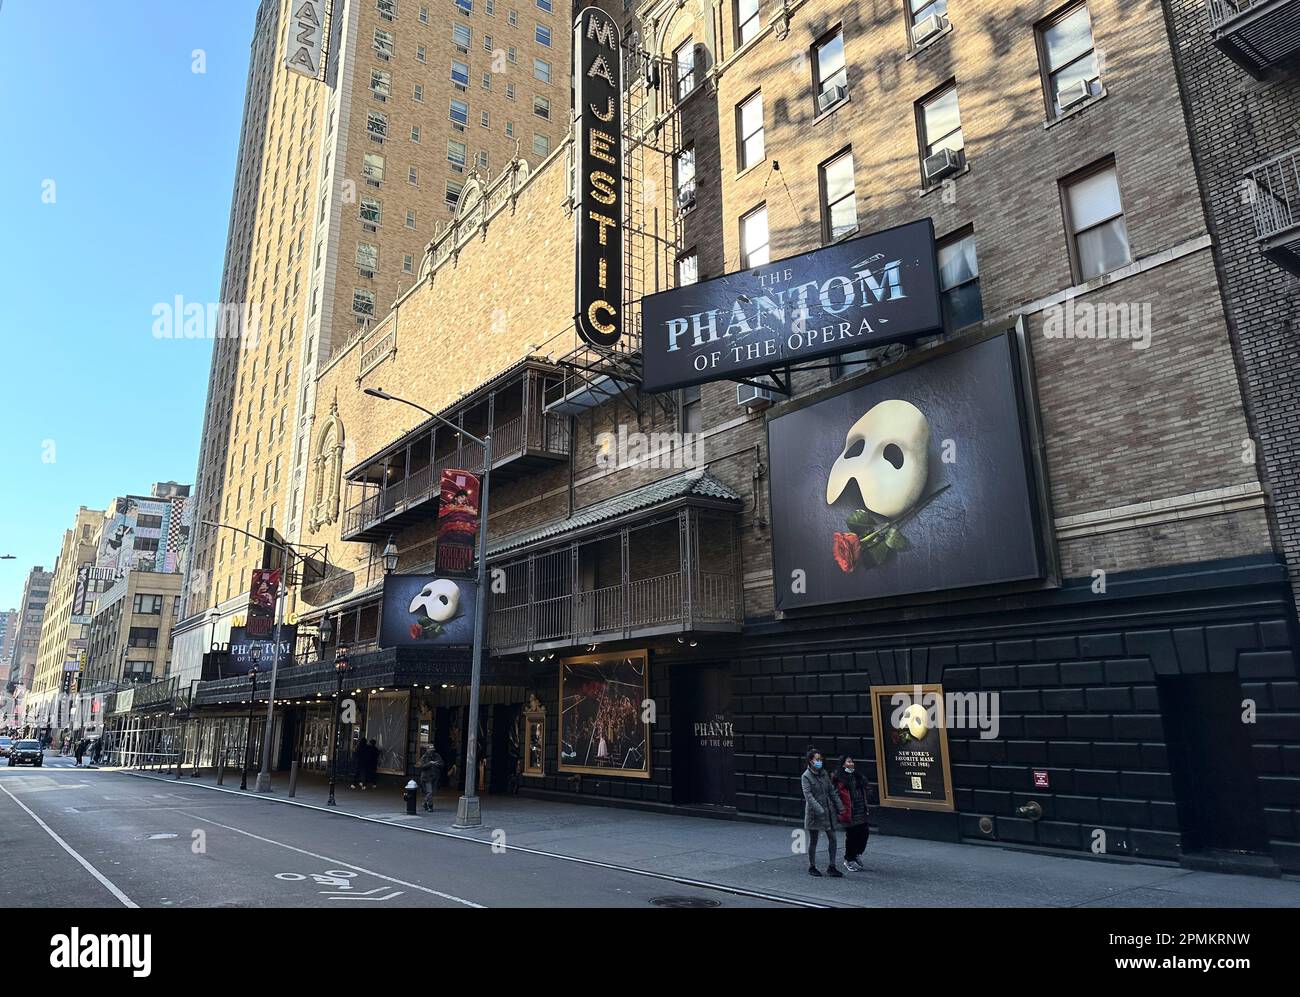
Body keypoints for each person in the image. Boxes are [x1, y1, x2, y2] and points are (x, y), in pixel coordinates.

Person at [801, 747, 844, 877]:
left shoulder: (824, 773)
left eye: (821, 759)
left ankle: (832, 866)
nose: (820, 761)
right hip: (814, 814)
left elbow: (831, 790)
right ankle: (812, 866)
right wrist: (819, 809)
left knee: (833, 838)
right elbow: (808, 796)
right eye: (817, 759)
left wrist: (840, 806)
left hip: (828, 812)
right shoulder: (806, 776)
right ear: (810, 761)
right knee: (813, 840)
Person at [834, 754, 871, 871]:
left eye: (852, 762)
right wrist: (840, 809)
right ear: (843, 764)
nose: (851, 764)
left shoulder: (858, 776)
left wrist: (869, 793)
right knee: (852, 836)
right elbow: (835, 794)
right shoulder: (839, 778)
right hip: (849, 812)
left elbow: (866, 788)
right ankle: (849, 859)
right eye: (848, 762)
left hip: (860, 809)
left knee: (864, 832)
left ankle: (856, 854)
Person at [417, 747, 445, 811]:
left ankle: (424, 803)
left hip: (435, 777)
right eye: (430, 750)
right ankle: (430, 806)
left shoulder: (437, 756)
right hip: (427, 777)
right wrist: (430, 763)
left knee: (432, 792)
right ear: (427, 750)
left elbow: (442, 764)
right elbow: (421, 766)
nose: (432, 752)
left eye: (433, 750)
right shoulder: (424, 757)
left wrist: (437, 764)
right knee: (430, 792)